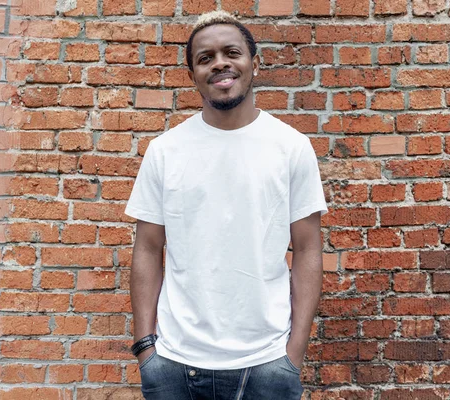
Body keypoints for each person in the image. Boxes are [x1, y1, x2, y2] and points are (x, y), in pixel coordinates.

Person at [125, 10, 328, 400]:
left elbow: (307, 250)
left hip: (268, 363)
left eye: (231, 52)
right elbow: (148, 249)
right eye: (205, 57)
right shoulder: (165, 151)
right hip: (173, 362)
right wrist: (146, 349)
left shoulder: (291, 147)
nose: (220, 63)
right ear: (193, 75)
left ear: (254, 62)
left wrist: (293, 353)